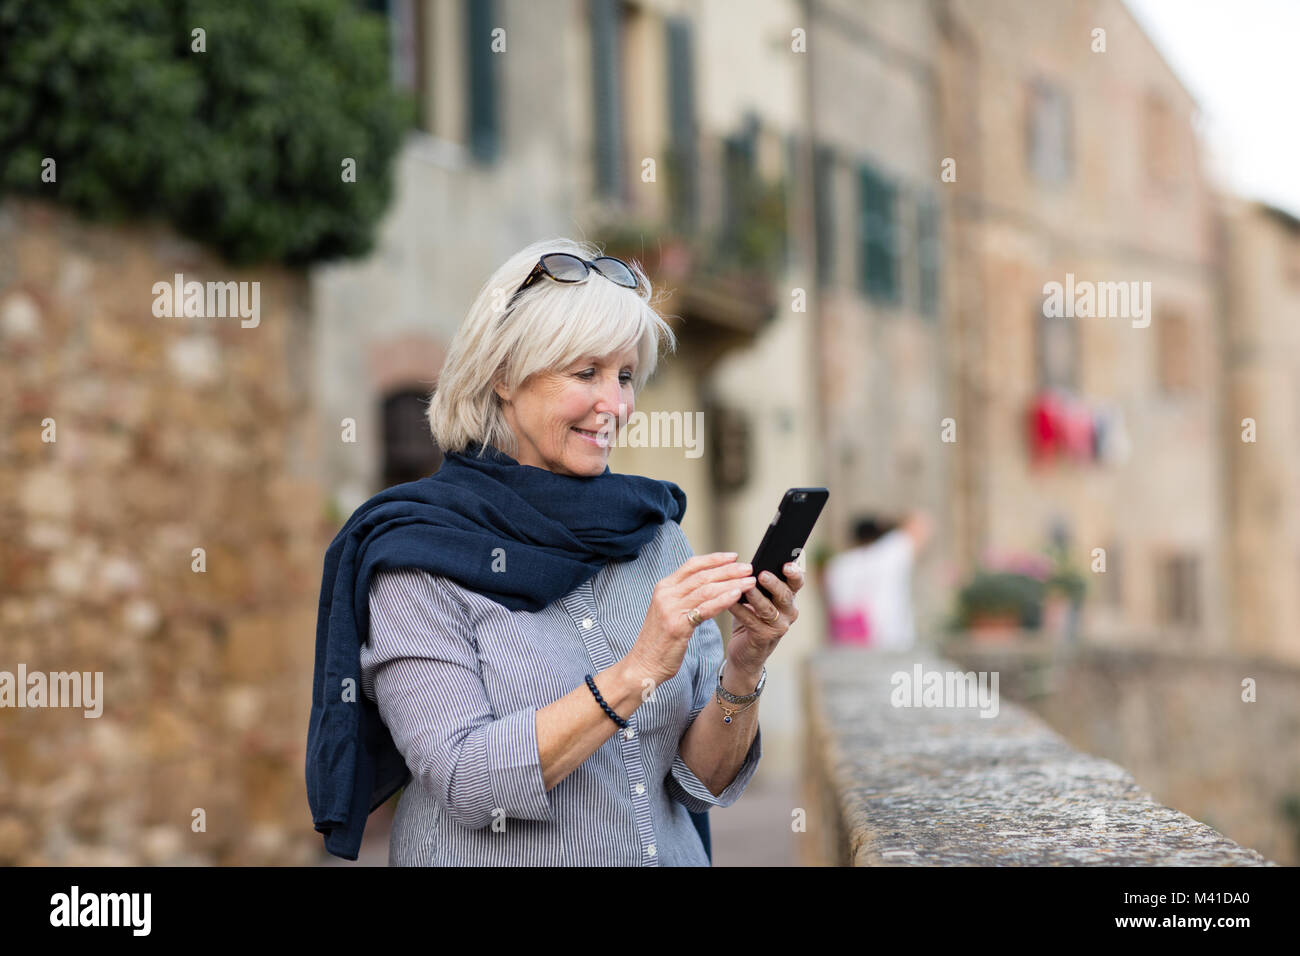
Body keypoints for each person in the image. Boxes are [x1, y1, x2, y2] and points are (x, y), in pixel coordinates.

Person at [305, 238, 803, 866]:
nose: (616, 405)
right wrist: (636, 671)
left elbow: (696, 783)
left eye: (624, 376)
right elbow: (467, 781)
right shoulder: (421, 552)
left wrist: (745, 666)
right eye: (585, 372)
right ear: (504, 377)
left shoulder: (654, 533)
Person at [824, 511, 931, 650]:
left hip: (849, 641)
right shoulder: (887, 556)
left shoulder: (838, 565)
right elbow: (915, 532)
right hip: (889, 638)